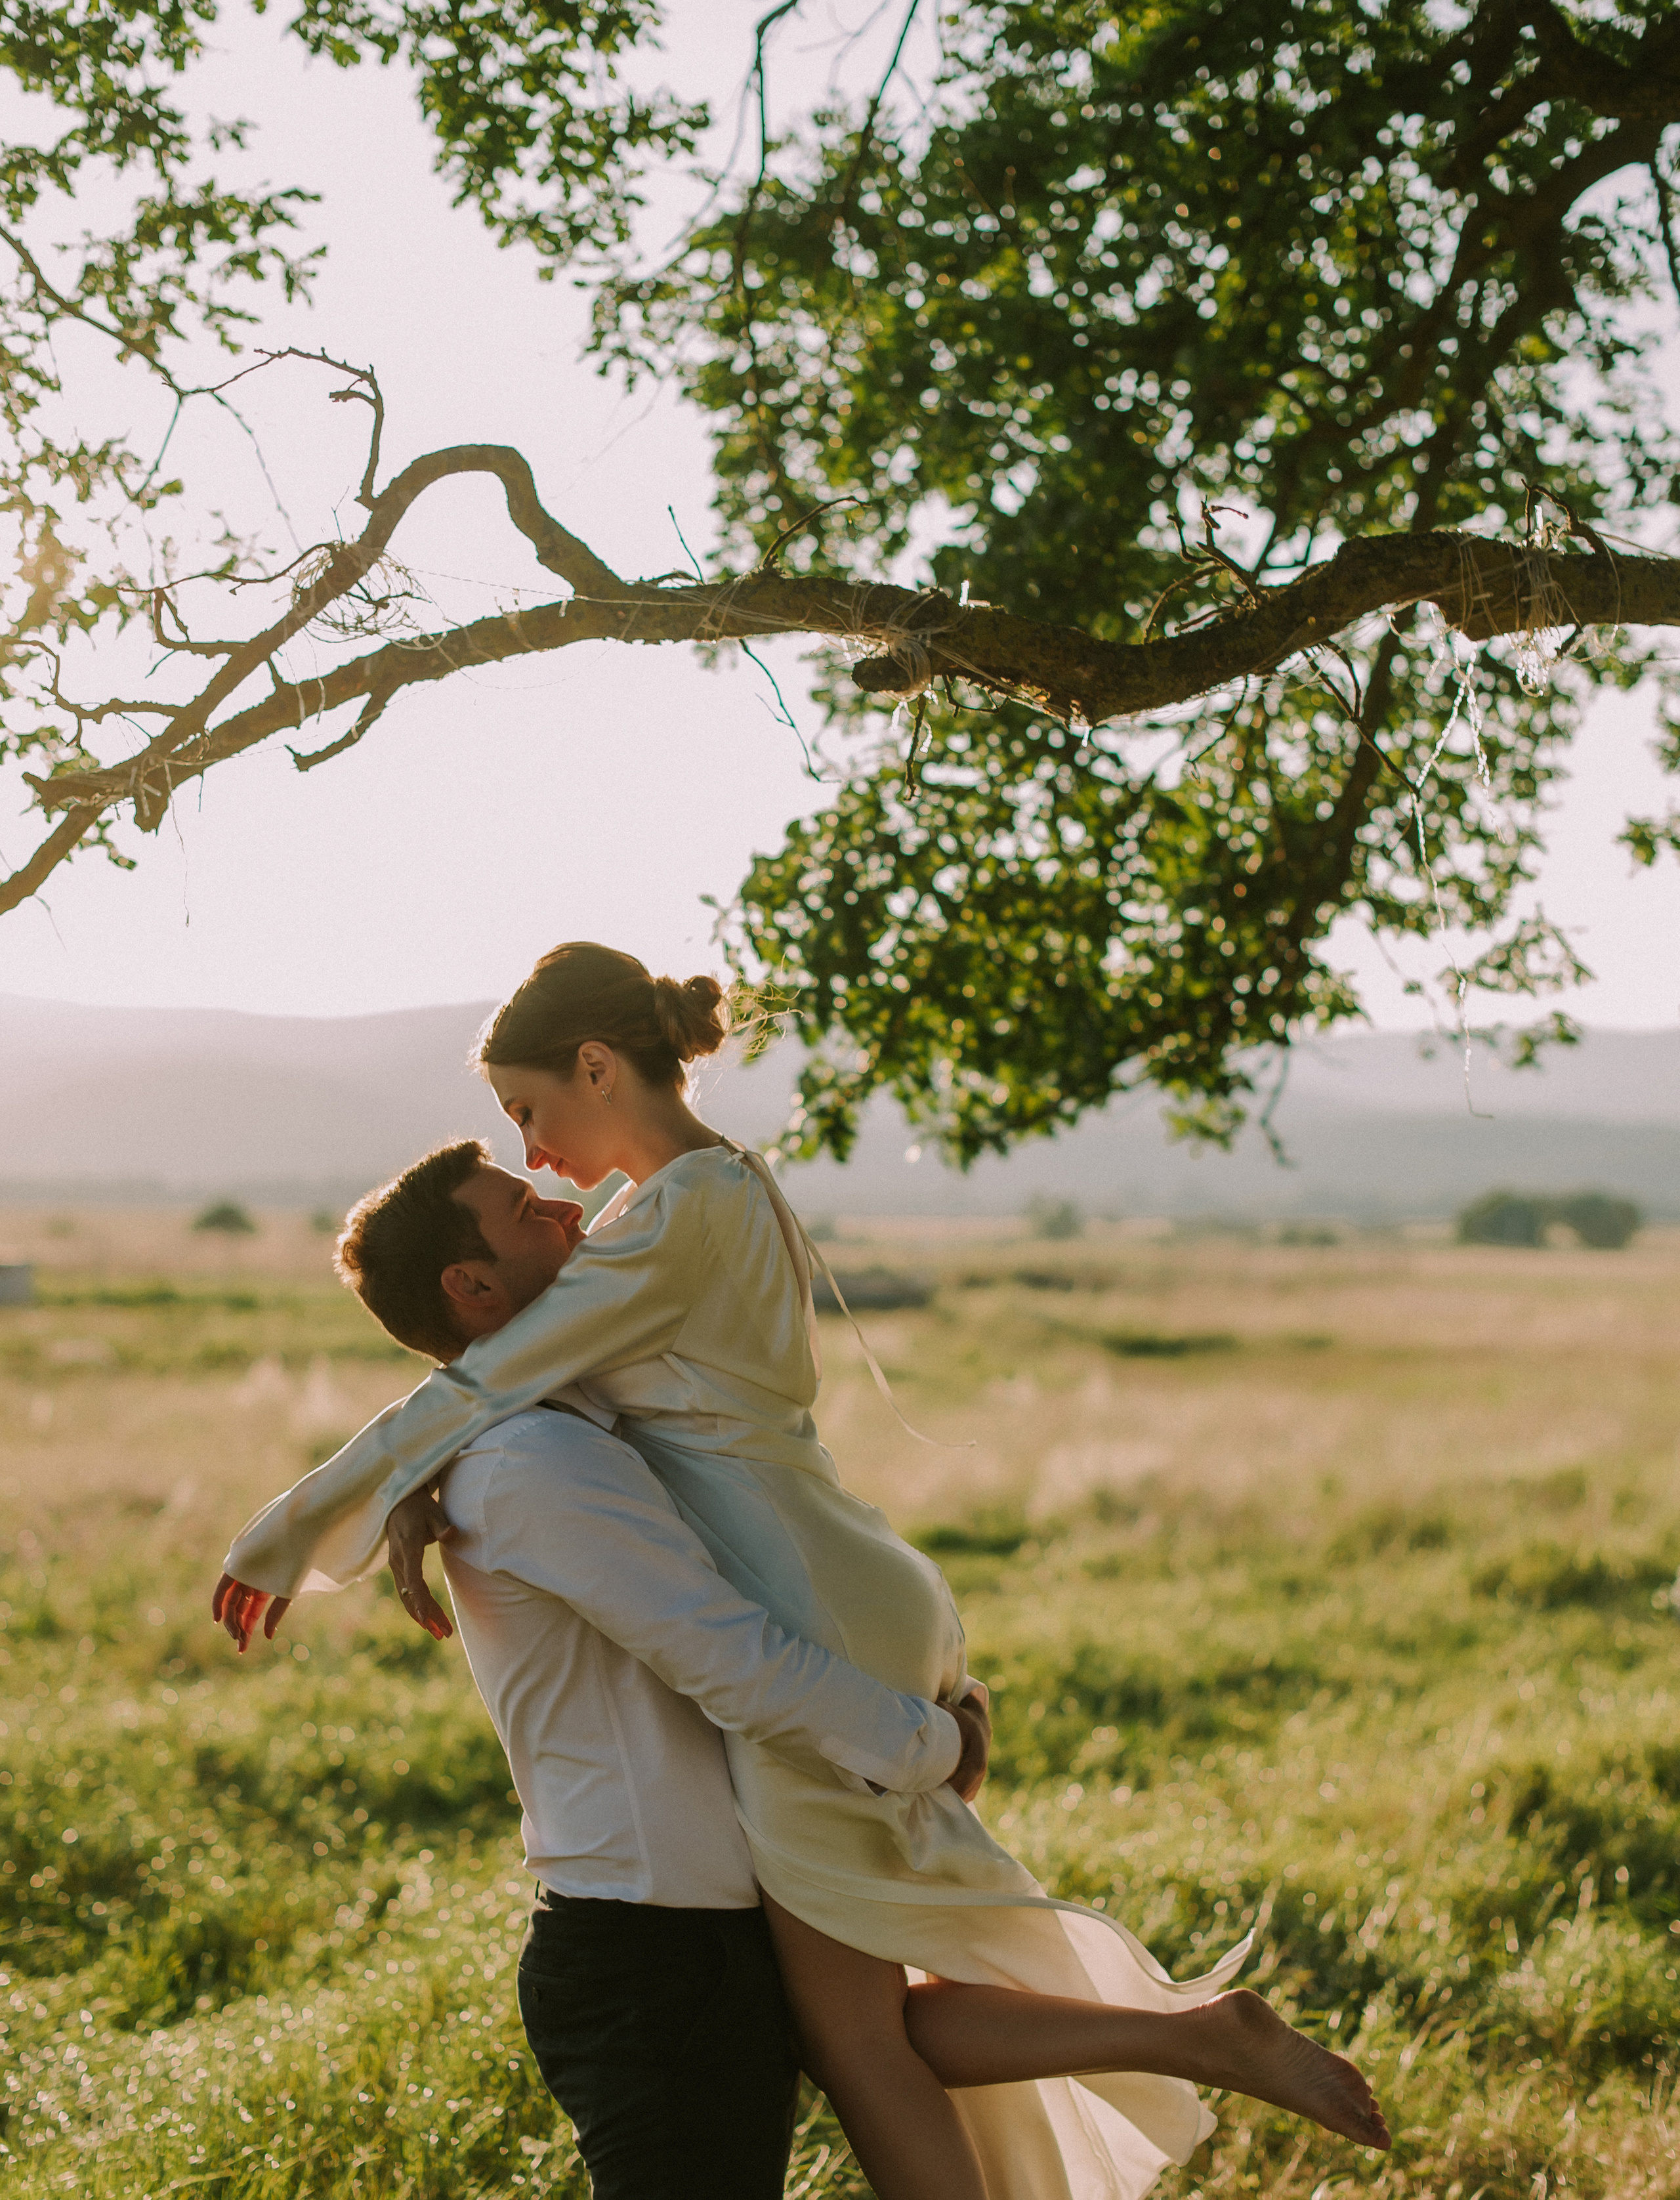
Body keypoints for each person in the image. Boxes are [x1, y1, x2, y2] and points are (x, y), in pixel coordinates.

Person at [216, 942, 1390, 2200]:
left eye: (530, 1114)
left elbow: (493, 1375)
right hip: (846, 1567)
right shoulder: (690, 1199)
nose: (542, 1159)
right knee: (853, 2017)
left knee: (855, 2038)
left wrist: (297, 1529)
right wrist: (421, 1486)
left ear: (598, 1066)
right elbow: (517, 1383)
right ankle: (1191, 2035)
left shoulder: (667, 1219)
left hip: (804, 1597)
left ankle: (1198, 2035)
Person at [233, 1138, 986, 2199]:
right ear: (476, 1287)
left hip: (698, 1941)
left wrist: (415, 1477)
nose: (564, 1200)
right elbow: (735, 1663)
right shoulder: (539, 1464)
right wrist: (936, 1746)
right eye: (521, 1202)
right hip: (654, 1962)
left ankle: (1202, 2043)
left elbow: (465, 1405)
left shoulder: (561, 1430)